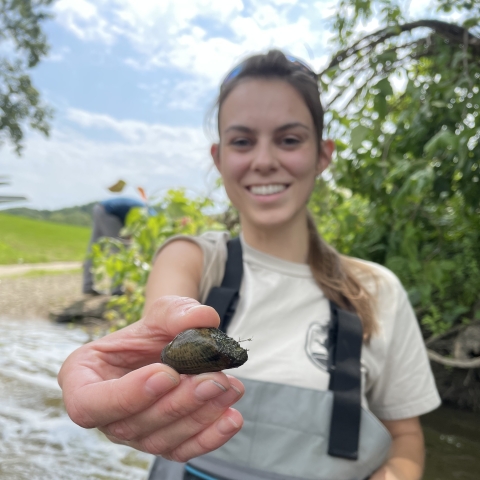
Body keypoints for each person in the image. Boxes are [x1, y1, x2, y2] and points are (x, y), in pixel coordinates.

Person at [59, 50, 441, 480]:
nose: (263, 160)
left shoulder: (376, 289)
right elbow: (164, 318)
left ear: (323, 155)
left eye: (289, 139)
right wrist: (119, 378)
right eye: (242, 141)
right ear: (219, 157)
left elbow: (405, 438)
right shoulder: (195, 259)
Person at [83, 196, 147, 295]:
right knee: (119, 251)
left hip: (99, 208)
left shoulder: (141, 207)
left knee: (94, 247)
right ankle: (116, 289)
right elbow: (139, 229)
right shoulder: (148, 212)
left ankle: (87, 285)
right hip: (109, 213)